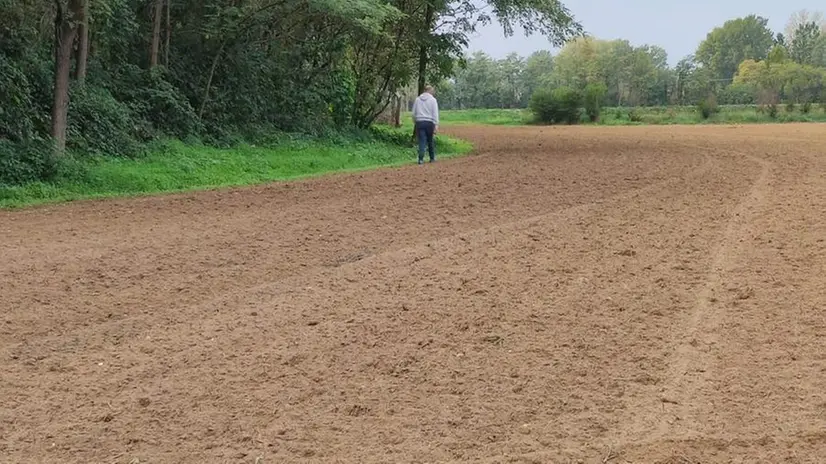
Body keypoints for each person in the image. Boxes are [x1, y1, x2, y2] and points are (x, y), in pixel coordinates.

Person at [411, 85, 439, 164]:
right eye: (432, 91)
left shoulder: (417, 99)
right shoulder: (433, 100)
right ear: (430, 91)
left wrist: (415, 121)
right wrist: (436, 124)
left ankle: (420, 159)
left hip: (420, 122)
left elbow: (413, 112)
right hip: (429, 122)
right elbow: (435, 113)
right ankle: (432, 158)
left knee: (422, 141)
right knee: (430, 140)